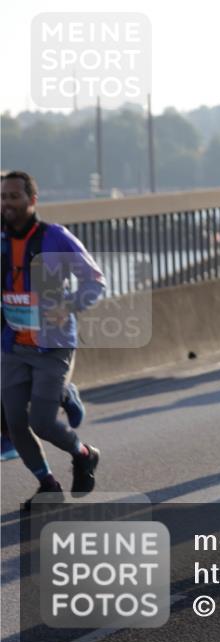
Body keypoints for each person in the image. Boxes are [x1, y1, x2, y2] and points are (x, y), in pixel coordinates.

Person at [1, 171, 105, 508]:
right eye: (2, 197)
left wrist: (69, 305)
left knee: (42, 423)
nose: (7, 203)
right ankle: (48, 484)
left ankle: (84, 454)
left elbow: (94, 281)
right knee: (15, 423)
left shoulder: (55, 237)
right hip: (13, 345)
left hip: (53, 346)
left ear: (32, 200)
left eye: (14, 196)